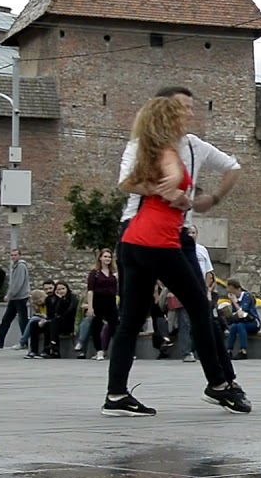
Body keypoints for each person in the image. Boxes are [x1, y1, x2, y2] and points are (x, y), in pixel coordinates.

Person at [105, 95, 249, 416]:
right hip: (157, 240)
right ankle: (219, 384)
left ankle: (115, 395)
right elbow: (147, 182)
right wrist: (175, 194)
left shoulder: (157, 149)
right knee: (199, 305)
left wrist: (192, 196)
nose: (187, 115)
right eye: (180, 111)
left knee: (131, 318)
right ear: (166, 117)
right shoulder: (165, 150)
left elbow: (228, 168)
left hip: (136, 241)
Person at [81, 249, 118, 360]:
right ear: (100, 258)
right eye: (105, 256)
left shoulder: (113, 273)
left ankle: (119, 351)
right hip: (98, 301)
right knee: (96, 326)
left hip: (110, 301)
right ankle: (99, 351)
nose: (107, 259)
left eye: (109, 257)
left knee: (115, 325)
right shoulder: (95, 273)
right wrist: (90, 307)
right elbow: (90, 290)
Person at [0, 249, 30, 350]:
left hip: (20, 297)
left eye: (15, 255)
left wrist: (9, 295)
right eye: (12, 255)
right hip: (15, 298)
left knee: (22, 320)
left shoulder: (21, 266)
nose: (13, 257)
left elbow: (18, 284)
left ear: (20, 256)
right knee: (7, 319)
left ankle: (25, 342)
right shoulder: (15, 266)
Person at [224, 278, 260, 359]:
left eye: (233, 291)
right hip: (241, 321)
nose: (232, 294)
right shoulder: (234, 300)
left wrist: (234, 302)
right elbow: (236, 313)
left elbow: (243, 311)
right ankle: (229, 350)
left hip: (252, 322)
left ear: (238, 289)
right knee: (234, 327)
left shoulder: (247, 296)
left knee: (240, 326)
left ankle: (243, 351)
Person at [20, 289, 50, 359]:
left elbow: (51, 314)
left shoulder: (49, 302)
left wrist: (44, 317)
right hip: (42, 321)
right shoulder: (39, 306)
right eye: (37, 302)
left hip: (49, 321)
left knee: (33, 319)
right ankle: (34, 351)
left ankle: (22, 341)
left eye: (40, 301)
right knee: (33, 324)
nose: (39, 303)